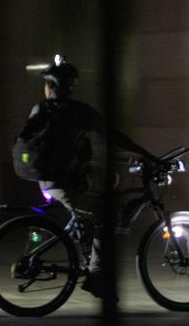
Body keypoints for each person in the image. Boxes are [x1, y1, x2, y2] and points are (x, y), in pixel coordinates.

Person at [27, 54, 153, 298]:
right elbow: (113, 135)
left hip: (50, 180)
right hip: (62, 184)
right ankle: (96, 276)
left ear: (50, 86)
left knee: (101, 194)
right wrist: (148, 155)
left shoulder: (40, 109)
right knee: (107, 215)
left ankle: (85, 241)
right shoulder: (78, 111)